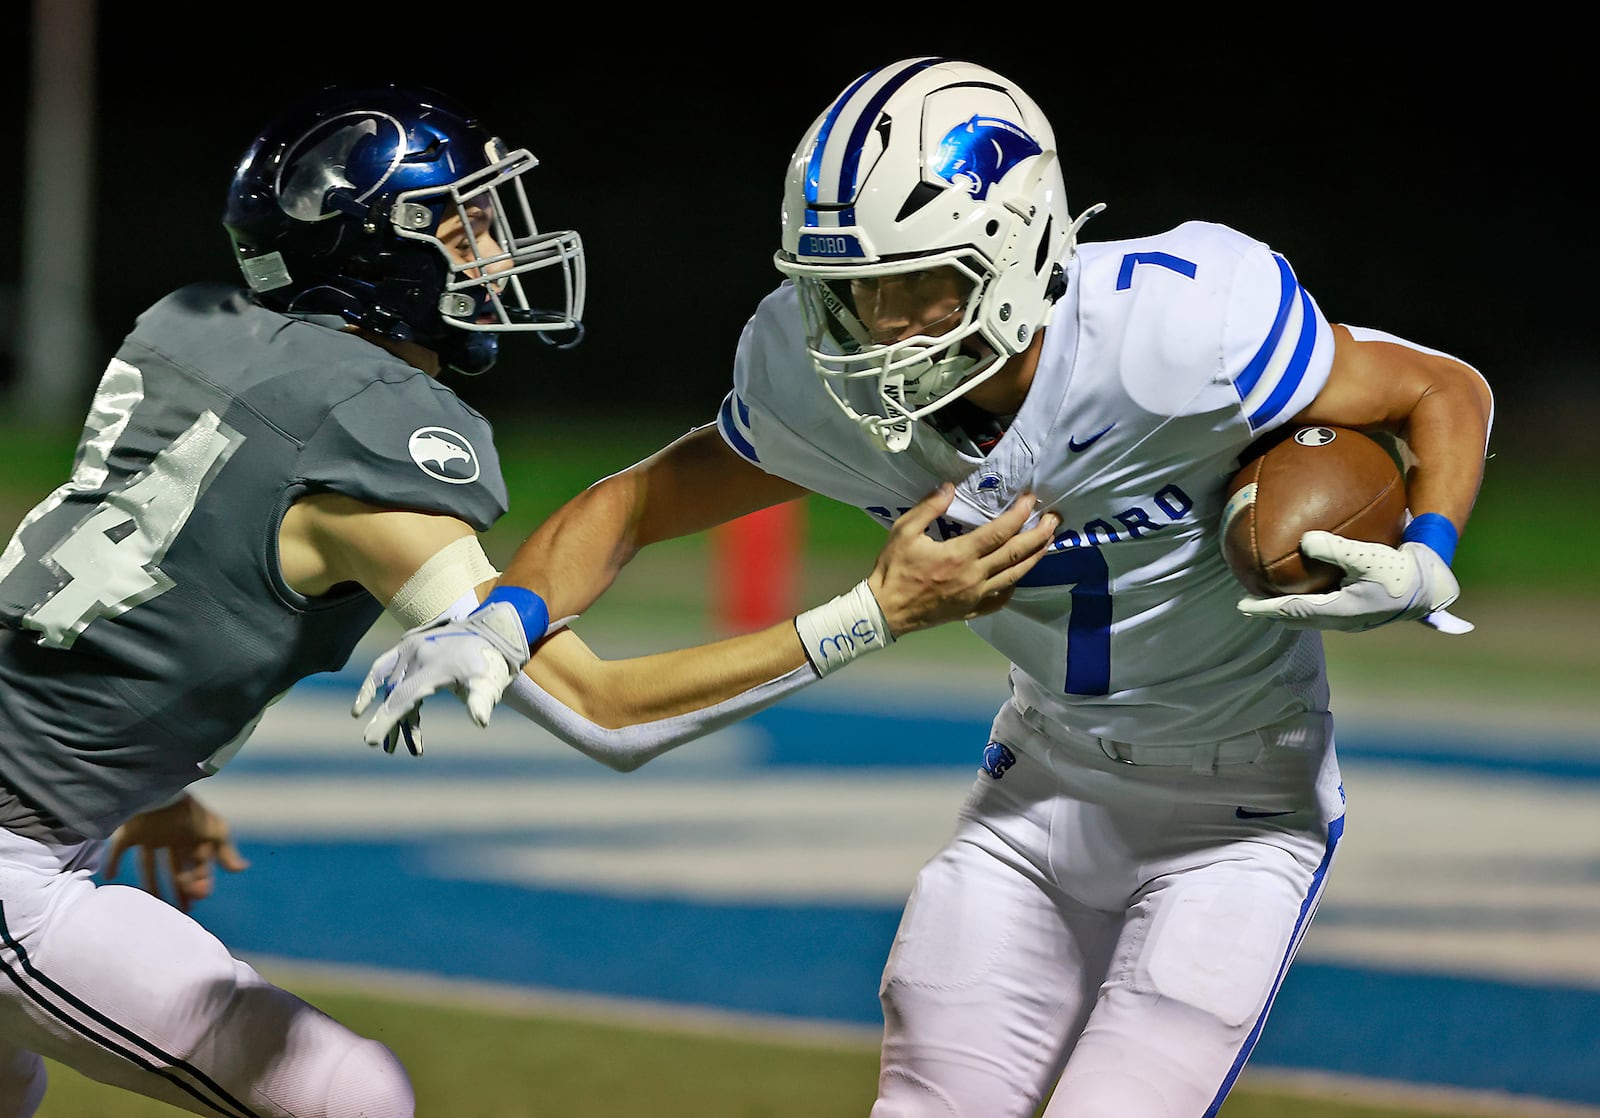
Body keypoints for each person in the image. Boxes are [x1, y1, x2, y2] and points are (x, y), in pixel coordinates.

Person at [357, 56, 1497, 1117]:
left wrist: (1429, 543)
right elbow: (639, 501)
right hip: (1033, 793)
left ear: (1018, 247)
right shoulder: (816, 379)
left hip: (1239, 819)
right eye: (851, 291)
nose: (876, 326)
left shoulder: (1178, 327)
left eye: (917, 285)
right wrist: (502, 620)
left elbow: (1436, 388)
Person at [0, 81, 1056, 1118]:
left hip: (37, 812)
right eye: (463, 227)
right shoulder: (366, 448)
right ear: (376, 251)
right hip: (14, 850)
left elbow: (112, 582)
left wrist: (141, 770)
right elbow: (601, 709)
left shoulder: (200, 339)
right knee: (345, 1091)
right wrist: (872, 610)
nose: (496, 255)